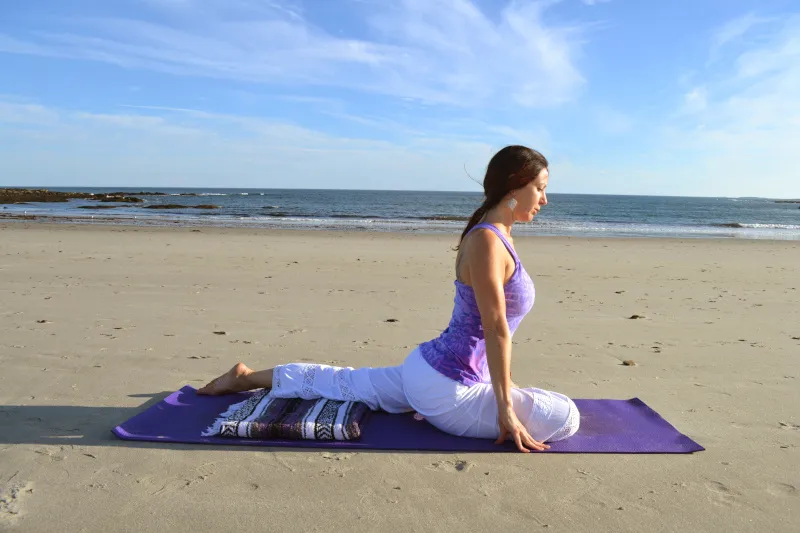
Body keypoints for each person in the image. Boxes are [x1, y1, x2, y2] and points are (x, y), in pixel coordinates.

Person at [198, 145, 580, 453]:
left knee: (342, 382)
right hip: (446, 390)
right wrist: (506, 408)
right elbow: (496, 330)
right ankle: (440, 404)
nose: (545, 199)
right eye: (540, 188)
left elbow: (491, 331)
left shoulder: (495, 235)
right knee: (566, 417)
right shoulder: (487, 241)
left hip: (429, 371)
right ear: (514, 186)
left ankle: (245, 377)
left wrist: (507, 386)